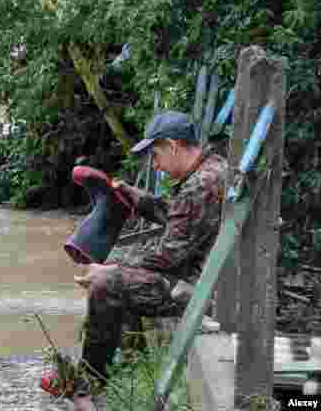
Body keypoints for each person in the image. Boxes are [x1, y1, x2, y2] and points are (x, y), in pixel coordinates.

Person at [74, 111, 228, 384]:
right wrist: (136, 198)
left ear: (172, 146)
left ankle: (90, 382)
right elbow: (180, 216)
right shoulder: (212, 168)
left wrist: (111, 268)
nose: (155, 165)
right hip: (203, 276)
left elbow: (168, 255)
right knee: (117, 269)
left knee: (105, 282)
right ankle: (126, 361)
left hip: (201, 291)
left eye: (155, 155)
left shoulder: (200, 185)